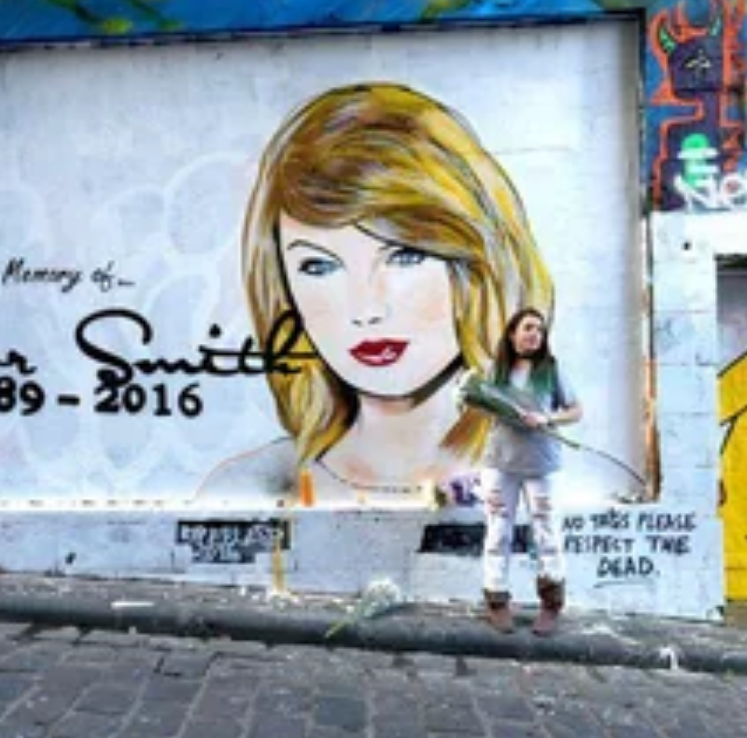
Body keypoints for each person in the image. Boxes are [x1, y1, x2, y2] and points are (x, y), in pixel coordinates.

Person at [198, 82, 553, 505]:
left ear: (480, 265)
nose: (365, 308)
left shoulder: (562, 479)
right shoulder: (245, 488)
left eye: (404, 256)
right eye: (319, 266)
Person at [479, 307, 582, 636]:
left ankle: (551, 604)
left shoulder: (551, 369)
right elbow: (482, 406)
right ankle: (497, 601)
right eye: (527, 328)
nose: (534, 334)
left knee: (547, 534)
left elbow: (576, 410)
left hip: (542, 466)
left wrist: (547, 419)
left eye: (539, 329)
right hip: (500, 464)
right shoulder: (496, 370)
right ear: (512, 334)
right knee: (498, 531)